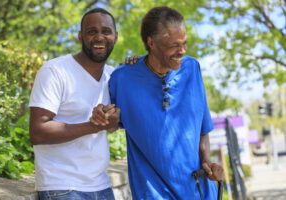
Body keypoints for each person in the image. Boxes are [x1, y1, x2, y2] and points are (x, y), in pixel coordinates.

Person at [90, 6, 223, 199]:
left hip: (198, 191)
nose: (182, 51)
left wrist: (207, 162)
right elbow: (110, 124)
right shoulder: (122, 79)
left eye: (184, 43)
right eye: (174, 45)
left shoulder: (192, 69)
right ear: (151, 43)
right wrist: (101, 115)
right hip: (152, 193)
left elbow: (202, 129)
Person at [29, 8, 121, 199]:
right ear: (81, 36)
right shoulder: (55, 71)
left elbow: (114, 125)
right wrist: (92, 126)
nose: (99, 37)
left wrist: (110, 119)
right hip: (61, 186)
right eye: (91, 31)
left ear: (115, 36)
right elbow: (38, 131)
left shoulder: (113, 76)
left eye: (106, 31)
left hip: (101, 185)